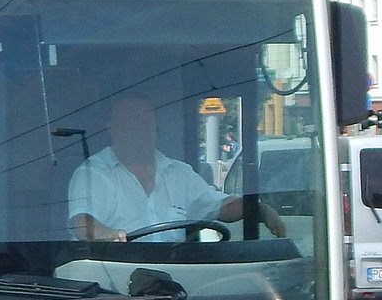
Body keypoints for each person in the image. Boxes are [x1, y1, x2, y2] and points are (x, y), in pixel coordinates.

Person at [68, 96, 286, 242]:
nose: (139, 130)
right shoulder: (93, 173)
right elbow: (81, 222)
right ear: (112, 129)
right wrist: (107, 234)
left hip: (176, 282)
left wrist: (259, 209)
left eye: (145, 122)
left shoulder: (179, 174)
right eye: (130, 122)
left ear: (155, 127)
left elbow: (221, 206)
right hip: (114, 286)